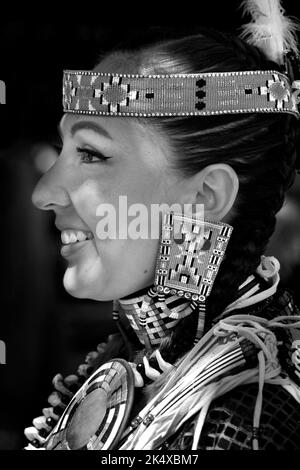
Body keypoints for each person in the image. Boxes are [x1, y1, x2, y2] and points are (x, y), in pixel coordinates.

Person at [25, 4, 300, 451]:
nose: (44, 192)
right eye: (63, 149)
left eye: (91, 154)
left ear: (205, 197)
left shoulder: (251, 414)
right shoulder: (134, 357)